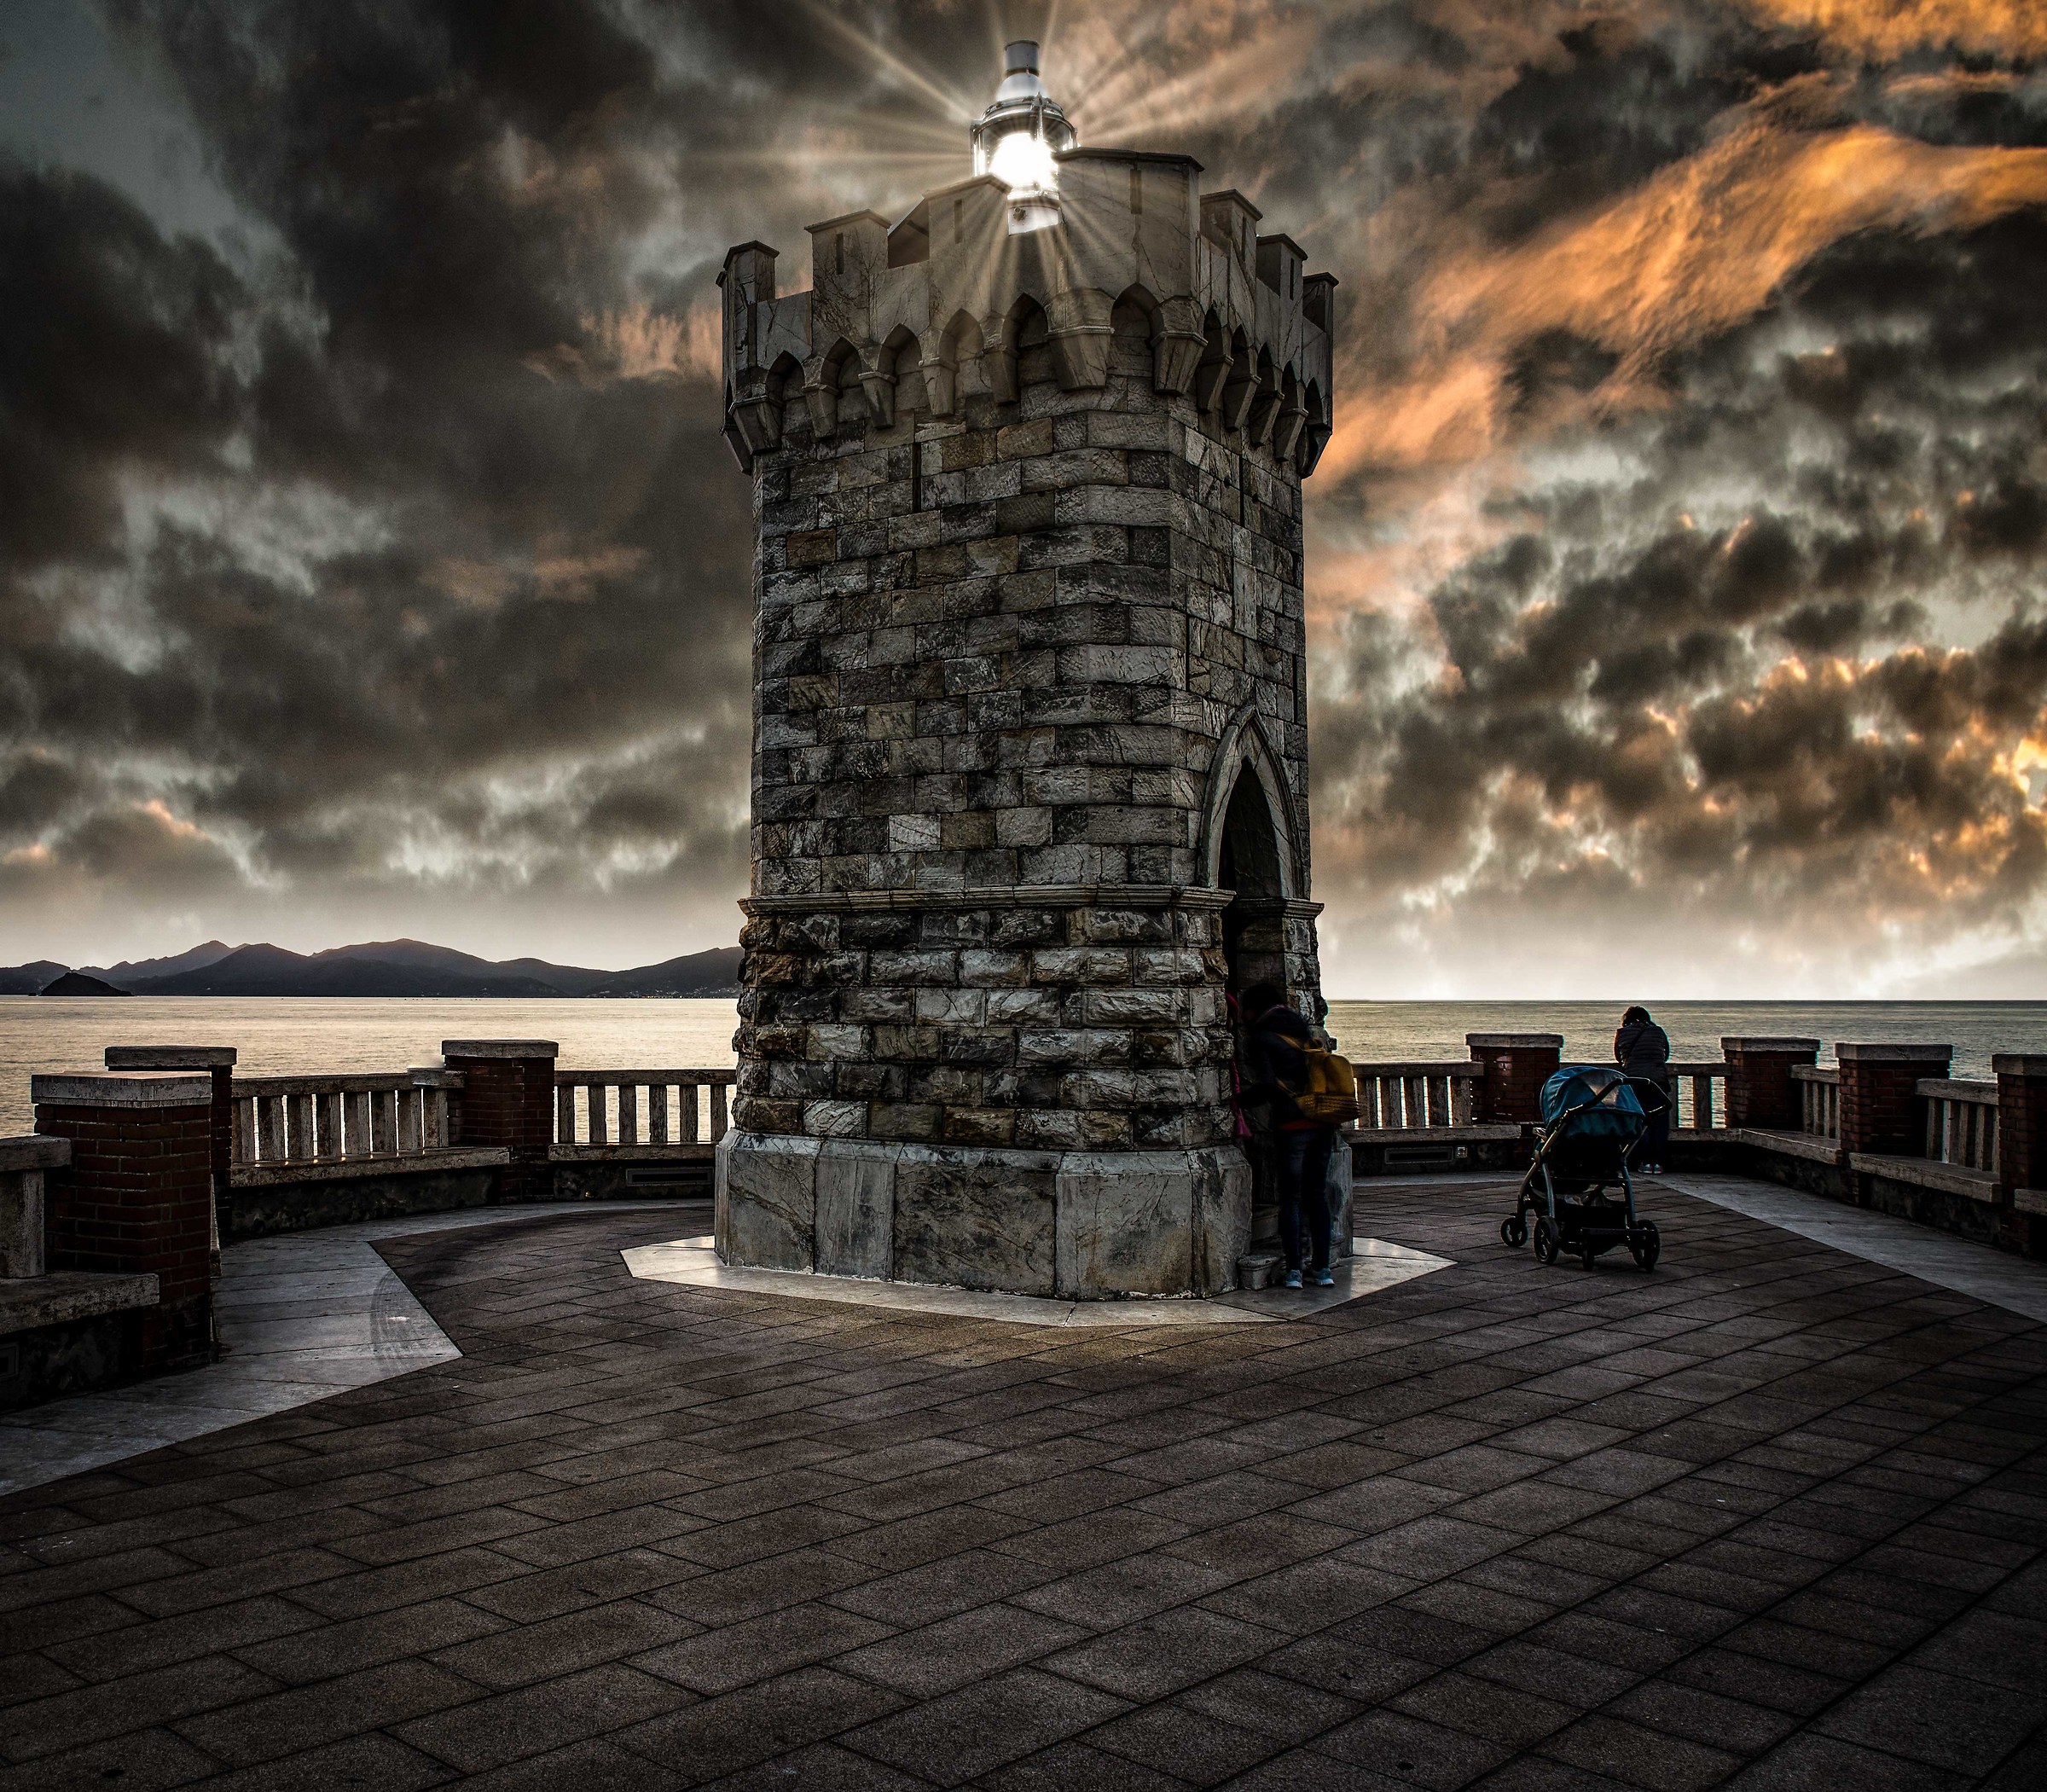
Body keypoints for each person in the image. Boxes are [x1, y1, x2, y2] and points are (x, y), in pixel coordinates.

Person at [1238, 981, 1337, 1289]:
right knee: (1317, 1196)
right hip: (1322, 1122)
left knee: (1291, 1199)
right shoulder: (1303, 1028)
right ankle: (1322, 1268)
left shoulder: (1262, 1037)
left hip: (1292, 1126)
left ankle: (1294, 1269)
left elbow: (1269, 1085)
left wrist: (1236, 1101)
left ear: (1254, 1009)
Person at [1615, 1004, 1671, 1173]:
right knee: (1660, 1123)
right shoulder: (1658, 1031)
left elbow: (1619, 1057)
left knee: (1640, 1121)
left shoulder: (1622, 1033)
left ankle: (1644, 1162)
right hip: (1658, 1082)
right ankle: (1658, 1163)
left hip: (1635, 1082)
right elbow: (1666, 1054)